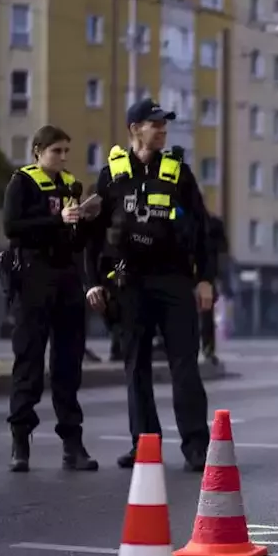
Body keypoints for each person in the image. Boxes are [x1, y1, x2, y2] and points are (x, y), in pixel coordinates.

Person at [82, 98, 217, 473]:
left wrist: (205, 278)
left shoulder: (179, 172)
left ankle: (196, 447)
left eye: (164, 124)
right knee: (135, 366)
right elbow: (92, 237)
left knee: (184, 365)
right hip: (129, 283)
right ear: (134, 129)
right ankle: (145, 444)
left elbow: (204, 231)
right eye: (154, 123)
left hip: (174, 280)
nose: (162, 130)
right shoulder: (111, 175)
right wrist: (92, 282)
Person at [2, 125, 100, 473]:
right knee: (28, 360)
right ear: (38, 151)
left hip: (66, 280)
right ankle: (20, 441)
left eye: (65, 151)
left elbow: (75, 242)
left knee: (68, 365)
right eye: (56, 151)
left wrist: (85, 221)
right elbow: (12, 226)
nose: (62, 157)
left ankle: (72, 444)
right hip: (33, 279)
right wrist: (55, 220)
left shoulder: (69, 185)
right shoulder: (23, 182)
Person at [199, 214, 226, 366]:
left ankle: (207, 349)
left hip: (203, 277)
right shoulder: (211, 224)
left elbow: (222, 252)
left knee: (205, 315)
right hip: (201, 277)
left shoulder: (211, 224)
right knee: (205, 316)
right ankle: (207, 349)